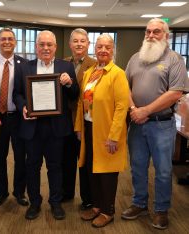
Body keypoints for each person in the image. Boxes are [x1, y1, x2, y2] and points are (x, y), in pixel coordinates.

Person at [121, 18, 188, 230]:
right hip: (137, 125)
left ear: (165, 36)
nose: (150, 35)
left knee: (164, 171)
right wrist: (134, 110)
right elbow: (125, 88)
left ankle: (161, 210)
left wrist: (146, 111)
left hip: (161, 125)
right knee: (137, 167)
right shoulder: (134, 58)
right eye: (148, 31)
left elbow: (175, 92)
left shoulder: (174, 59)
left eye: (156, 32)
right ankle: (139, 203)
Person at [13, 30, 79, 220]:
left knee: (55, 166)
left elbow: (75, 94)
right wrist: (23, 107)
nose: (46, 48)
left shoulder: (66, 66)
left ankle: (55, 202)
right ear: (36, 47)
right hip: (32, 127)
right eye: (42, 44)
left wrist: (69, 83)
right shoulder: (25, 67)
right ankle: (34, 202)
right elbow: (16, 94)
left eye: (49, 44)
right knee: (32, 166)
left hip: (56, 127)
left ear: (56, 47)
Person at [74, 34, 129, 228]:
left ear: (113, 50)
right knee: (92, 169)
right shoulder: (90, 72)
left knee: (107, 172)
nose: (103, 50)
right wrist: (79, 128)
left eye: (107, 47)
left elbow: (122, 106)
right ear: (94, 49)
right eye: (99, 47)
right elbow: (82, 102)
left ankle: (108, 211)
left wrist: (114, 136)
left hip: (107, 131)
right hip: (90, 128)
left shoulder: (117, 73)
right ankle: (97, 206)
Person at [0, 28, 28, 207]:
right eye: (3, 39)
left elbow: (27, 92)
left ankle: (20, 192)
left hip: (18, 118)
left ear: (15, 42)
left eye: (10, 39)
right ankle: (1, 193)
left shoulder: (24, 64)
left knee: (20, 157)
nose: (7, 42)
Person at [62, 28, 96, 212]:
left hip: (83, 121)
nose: (79, 44)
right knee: (65, 159)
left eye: (83, 41)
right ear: (70, 44)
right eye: (75, 41)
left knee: (84, 160)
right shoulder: (63, 63)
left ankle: (87, 198)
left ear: (88, 44)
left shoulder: (95, 65)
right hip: (64, 120)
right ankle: (66, 192)